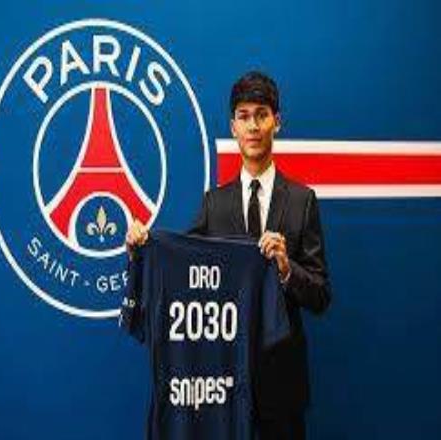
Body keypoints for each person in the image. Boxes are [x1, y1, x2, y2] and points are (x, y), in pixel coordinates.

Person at [126, 71, 331, 440]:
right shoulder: (214, 203)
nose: (253, 126)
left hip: (282, 386)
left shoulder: (302, 201)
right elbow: (179, 270)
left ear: (277, 122)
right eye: (244, 116)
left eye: (262, 115)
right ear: (232, 126)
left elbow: (320, 296)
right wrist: (142, 248)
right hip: (222, 385)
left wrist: (287, 269)